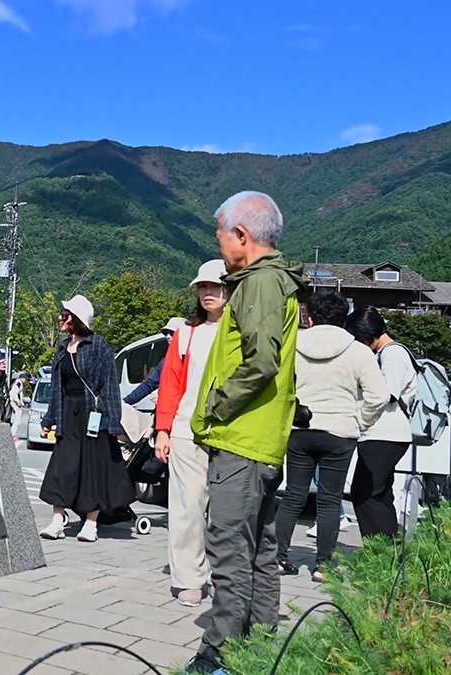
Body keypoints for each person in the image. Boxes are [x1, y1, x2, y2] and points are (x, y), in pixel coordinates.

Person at [184, 191, 305, 675]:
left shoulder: (259, 282)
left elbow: (261, 363)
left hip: (242, 439)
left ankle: (219, 655)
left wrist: (214, 407)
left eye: (219, 234)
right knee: (260, 551)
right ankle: (259, 650)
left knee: (230, 550)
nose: (217, 242)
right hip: (262, 441)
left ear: (240, 234)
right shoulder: (276, 282)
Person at [275, 292, 388, 583]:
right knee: (329, 500)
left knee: (293, 495)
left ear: (310, 317)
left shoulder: (293, 344)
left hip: (300, 430)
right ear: (343, 318)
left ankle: (279, 559)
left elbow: (278, 386)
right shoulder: (358, 350)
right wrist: (360, 421)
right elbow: (379, 396)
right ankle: (322, 566)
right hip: (340, 431)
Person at [153, 260, 228, 607]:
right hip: (186, 430)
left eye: (215, 286)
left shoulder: (242, 331)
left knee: (224, 510)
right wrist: (163, 429)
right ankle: (189, 578)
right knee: (188, 507)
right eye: (202, 287)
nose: (207, 293)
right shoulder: (186, 333)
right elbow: (170, 384)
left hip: (231, 432)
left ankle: (222, 574)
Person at [37, 295, 135, 543]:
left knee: (93, 468)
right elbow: (57, 388)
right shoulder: (62, 348)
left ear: (76, 318)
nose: (60, 318)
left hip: (93, 414)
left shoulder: (98, 345)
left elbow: (109, 385)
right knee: (62, 466)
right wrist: (48, 419)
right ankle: (57, 520)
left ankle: (91, 523)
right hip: (68, 413)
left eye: (65, 314)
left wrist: (112, 421)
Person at [345, 304, 418, 540]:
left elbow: (388, 394)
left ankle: (380, 546)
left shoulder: (393, 354)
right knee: (380, 494)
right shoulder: (386, 353)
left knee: (364, 493)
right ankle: (387, 549)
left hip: (385, 433)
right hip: (384, 434)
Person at [125, 316, 186, 406]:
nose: (167, 337)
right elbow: (149, 384)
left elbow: (194, 390)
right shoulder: (165, 362)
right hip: (164, 411)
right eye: (166, 333)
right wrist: (125, 402)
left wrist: (167, 397)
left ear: (184, 335)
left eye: (172, 333)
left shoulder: (192, 360)